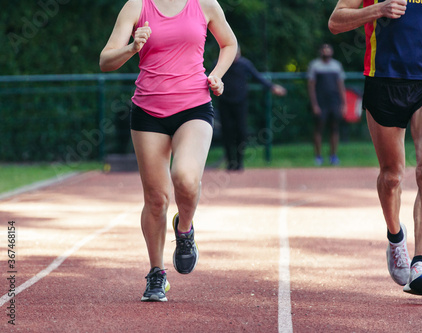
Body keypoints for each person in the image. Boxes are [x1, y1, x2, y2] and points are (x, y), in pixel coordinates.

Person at [328, 0, 422, 295]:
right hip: (383, 80)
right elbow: (336, 21)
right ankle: (396, 238)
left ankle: (420, 264)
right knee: (392, 176)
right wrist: (377, 10)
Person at [100, 0, 237, 302]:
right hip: (148, 111)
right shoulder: (137, 6)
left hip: (194, 106)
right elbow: (105, 60)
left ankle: (184, 230)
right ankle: (156, 273)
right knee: (156, 198)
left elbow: (229, 43)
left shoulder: (205, 4)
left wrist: (217, 75)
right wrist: (132, 48)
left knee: (185, 179)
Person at [216, 46, 287, 171]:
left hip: (240, 103)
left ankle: (239, 161)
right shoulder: (220, 64)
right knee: (227, 132)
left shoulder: (245, 64)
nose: (235, 55)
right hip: (225, 103)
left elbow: (257, 77)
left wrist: (272, 87)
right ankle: (230, 161)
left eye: (237, 52)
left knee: (241, 132)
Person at [307, 44, 347, 166]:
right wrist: (314, 104)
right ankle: (318, 156)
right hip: (320, 101)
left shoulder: (337, 66)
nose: (326, 52)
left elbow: (341, 85)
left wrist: (343, 103)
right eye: (324, 50)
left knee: (334, 128)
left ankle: (333, 156)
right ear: (320, 52)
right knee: (319, 128)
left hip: (334, 101)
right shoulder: (314, 65)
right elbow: (311, 86)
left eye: (328, 50)